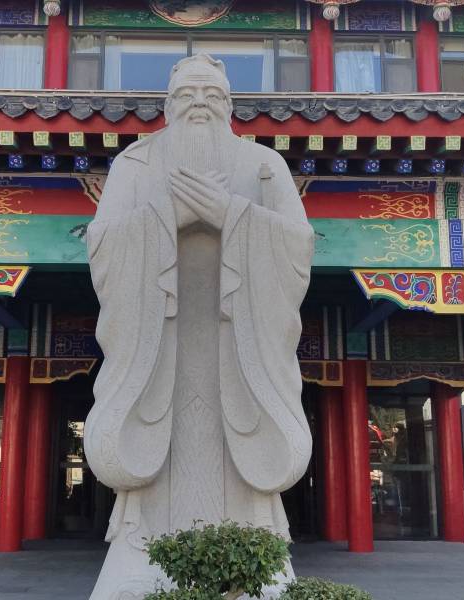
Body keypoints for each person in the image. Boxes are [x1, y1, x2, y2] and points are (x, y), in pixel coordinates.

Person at [86, 54, 314, 599]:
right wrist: (171, 216)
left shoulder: (263, 165)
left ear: (230, 105)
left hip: (239, 352)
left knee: (239, 460)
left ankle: (253, 557)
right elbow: (103, 246)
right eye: (187, 95)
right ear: (167, 105)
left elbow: (298, 247)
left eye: (212, 96)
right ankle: (141, 557)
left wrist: (230, 214)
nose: (199, 105)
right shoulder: (134, 164)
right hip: (158, 353)